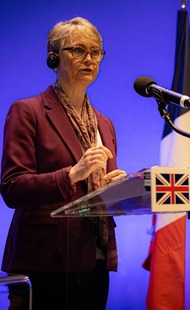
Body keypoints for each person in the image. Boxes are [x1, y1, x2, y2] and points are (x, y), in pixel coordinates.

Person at [1, 17, 126, 310]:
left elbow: (94, 192)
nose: (89, 59)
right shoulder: (28, 112)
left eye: (96, 52)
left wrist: (113, 189)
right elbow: (12, 187)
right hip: (45, 261)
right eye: (78, 50)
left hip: (95, 258)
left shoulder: (104, 124)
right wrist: (70, 174)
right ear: (53, 58)